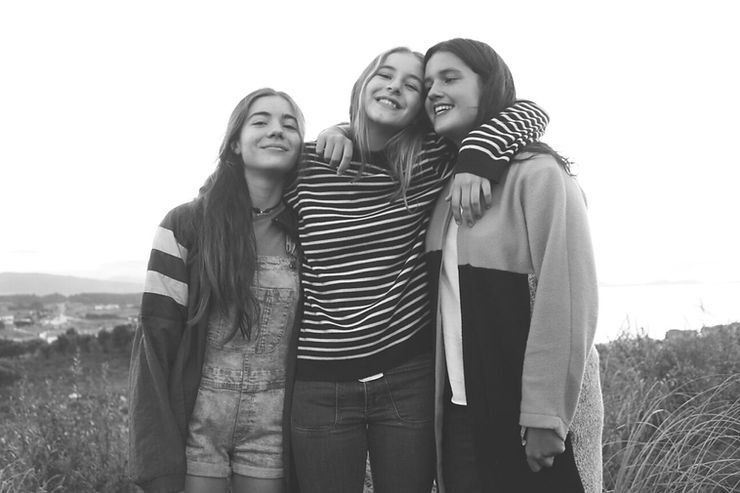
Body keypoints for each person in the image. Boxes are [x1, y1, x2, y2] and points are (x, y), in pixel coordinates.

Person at [284, 46, 549, 493]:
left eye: (412, 85)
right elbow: (238, 186)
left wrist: (477, 158)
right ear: (362, 84)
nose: (395, 87)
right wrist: (341, 128)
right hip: (321, 382)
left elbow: (529, 114)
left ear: (420, 109)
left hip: (406, 378)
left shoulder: (432, 158)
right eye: (385, 75)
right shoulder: (308, 164)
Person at [422, 39, 604, 493]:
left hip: (532, 419)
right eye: (427, 84)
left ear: (489, 86)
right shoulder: (445, 185)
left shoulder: (539, 175)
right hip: (461, 418)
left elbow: (568, 297)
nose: (433, 91)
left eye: (449, 78)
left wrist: (546, 416)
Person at [128, 88, 305, 493]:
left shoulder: (307, 230)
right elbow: (156, 339)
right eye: (260, 121)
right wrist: (155, 456)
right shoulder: (186, 225)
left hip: (273, 428)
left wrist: (342, 133)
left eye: (289, 124)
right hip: (197, 424)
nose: (276, 130)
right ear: (235, 144)